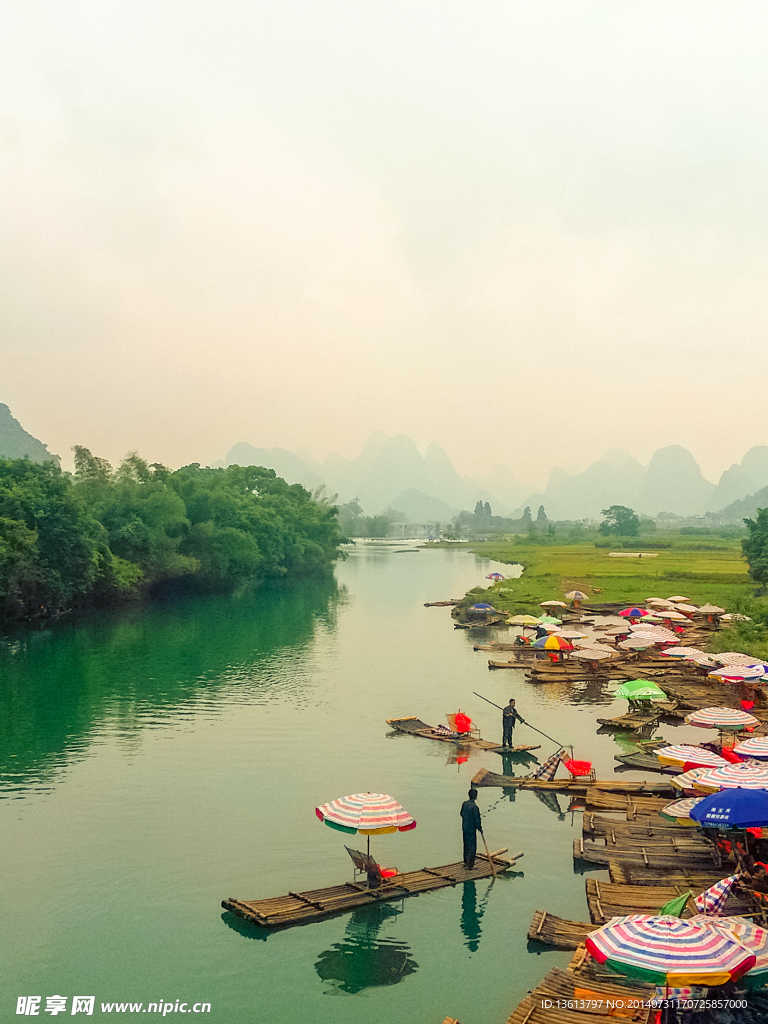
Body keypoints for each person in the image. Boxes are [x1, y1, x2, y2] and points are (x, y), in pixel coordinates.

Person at [460, 788, 483, 869]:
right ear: (476, 796)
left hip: (464, 828)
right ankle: (470, 865)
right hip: (471, 830)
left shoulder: (464, 804)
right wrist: (480, 828)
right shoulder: (475, 807)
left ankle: (466, 862)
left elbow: (461, 814)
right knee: (472, 846)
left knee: (466, 845)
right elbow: (477, 820)